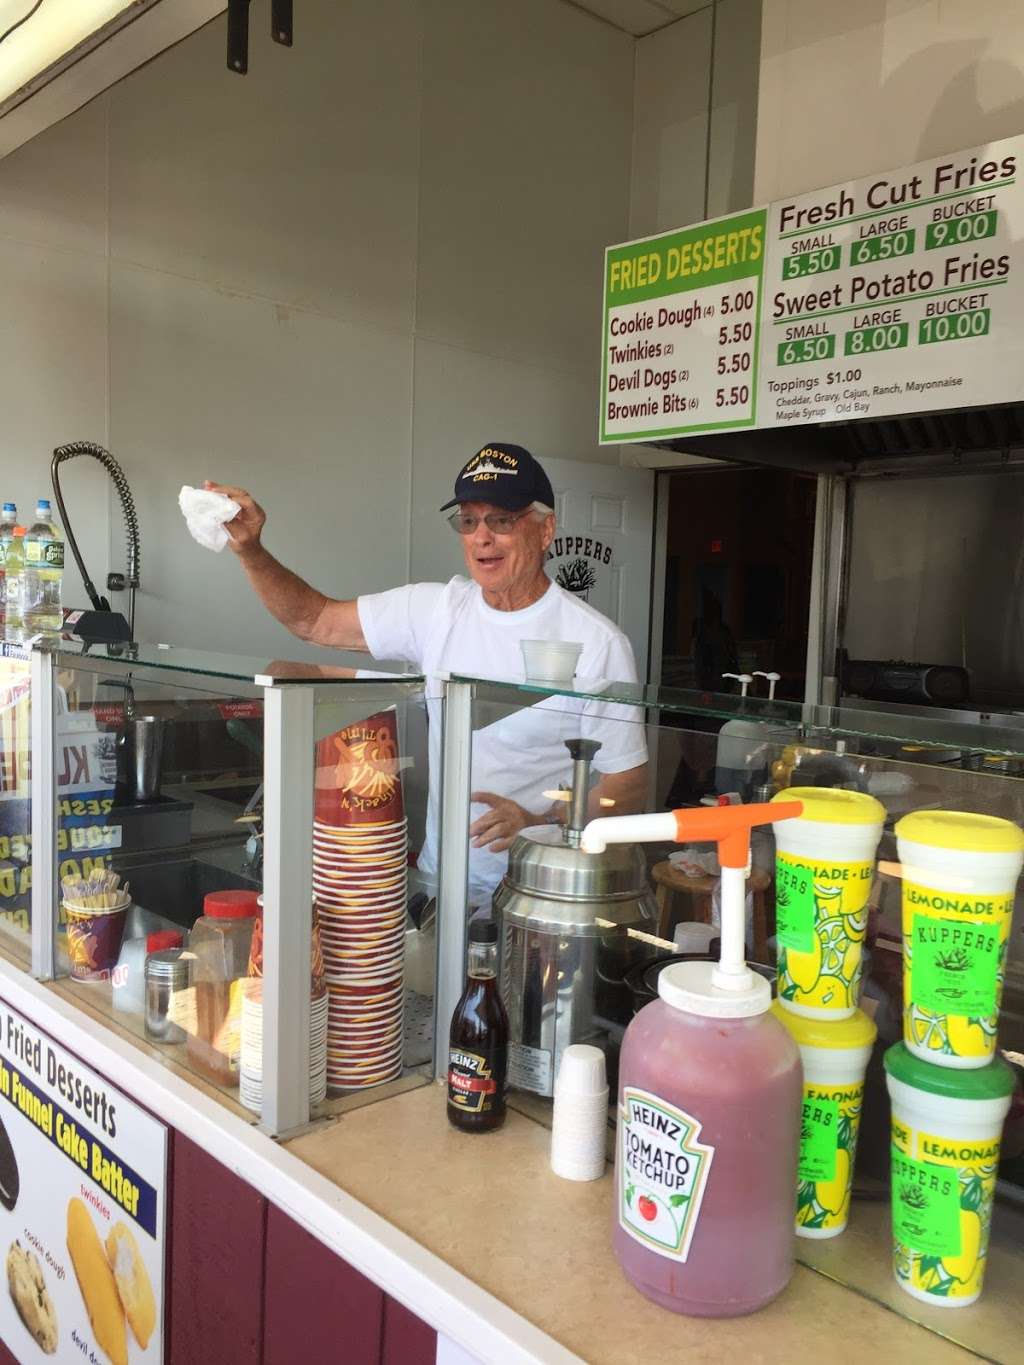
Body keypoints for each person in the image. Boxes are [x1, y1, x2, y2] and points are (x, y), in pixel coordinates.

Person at [208, 443, 647, 905]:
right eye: (469, 520)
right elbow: (314, 620)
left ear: (545, 530)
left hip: (540, 893)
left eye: (501, 520)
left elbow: (628, 786)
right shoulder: (437, 609)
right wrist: (251, 551)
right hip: (442, 886)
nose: (482, 537)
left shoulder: (598, 642)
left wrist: (539, 818)